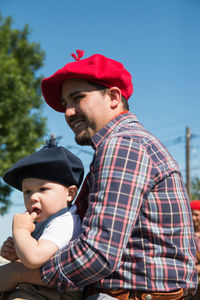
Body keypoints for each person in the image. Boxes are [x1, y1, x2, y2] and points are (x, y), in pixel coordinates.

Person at [0, 50, 198, 300]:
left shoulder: (122, 146)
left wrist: (19, 273)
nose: (69, 112)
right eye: (65, 104)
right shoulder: (123, 145)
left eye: (78, 98)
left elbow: (98, 254)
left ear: (114, 97)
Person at [0, 135, 84, 300]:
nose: (33, 197)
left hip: (55, 292)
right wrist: (16, 252)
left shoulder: (65, 221)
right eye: (27, 191)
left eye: (43, 189)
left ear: (70, 193)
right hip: (35, 287)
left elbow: (35, 258)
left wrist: (21, 231)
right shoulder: (43, 220)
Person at [190, 200, 200, 300]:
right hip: (191, 284)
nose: (193, 218)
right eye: (191, 214)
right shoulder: (187, 236)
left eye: (196, 215)